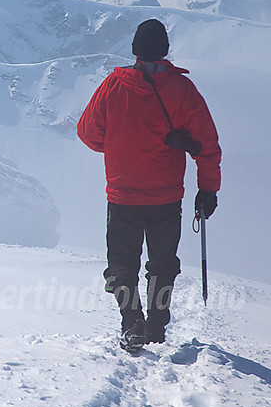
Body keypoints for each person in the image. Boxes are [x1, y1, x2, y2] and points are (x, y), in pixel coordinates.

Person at [77, 19, 221, 352]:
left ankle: (132, 323)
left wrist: (118, 146)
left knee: (122, 264)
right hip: (166, 196)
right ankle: (156, 326)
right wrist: (208, 189)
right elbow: (208, 145)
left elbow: (88, 133)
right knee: (163, 264)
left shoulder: (114, 86)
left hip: (123, 194)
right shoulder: (184, 91)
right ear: (166, 50)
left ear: (135, 51)